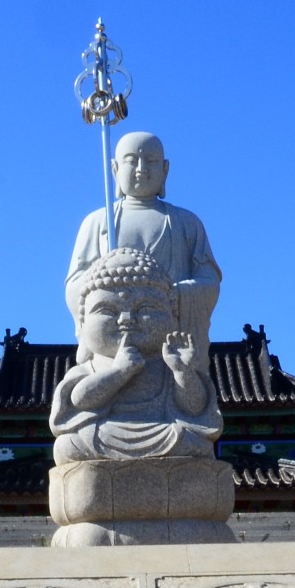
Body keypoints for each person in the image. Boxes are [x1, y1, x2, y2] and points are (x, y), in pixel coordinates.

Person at [51, 247, 221, 463]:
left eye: (146, 308)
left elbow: (194, 407)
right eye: (107, 310)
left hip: (164, 432)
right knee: (70, 445)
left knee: (194, 442)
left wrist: (183, 371)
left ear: (173, 315)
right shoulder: (90, 367)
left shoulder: (168, 363)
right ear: (82, 321)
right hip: (104, 434)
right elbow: (80, 400)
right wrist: (119, 372)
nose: (126, 319)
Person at [65, 132, 220, 352]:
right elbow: (75, 285)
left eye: (151, 161)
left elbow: (209, 282)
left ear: (165, 169)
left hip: (169, 339)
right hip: (114, 336)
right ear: (115, 169)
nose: (141, 168)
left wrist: (174, 294)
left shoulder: (187, 223)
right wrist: (106, 291)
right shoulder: (97, 222)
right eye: (131, 161)